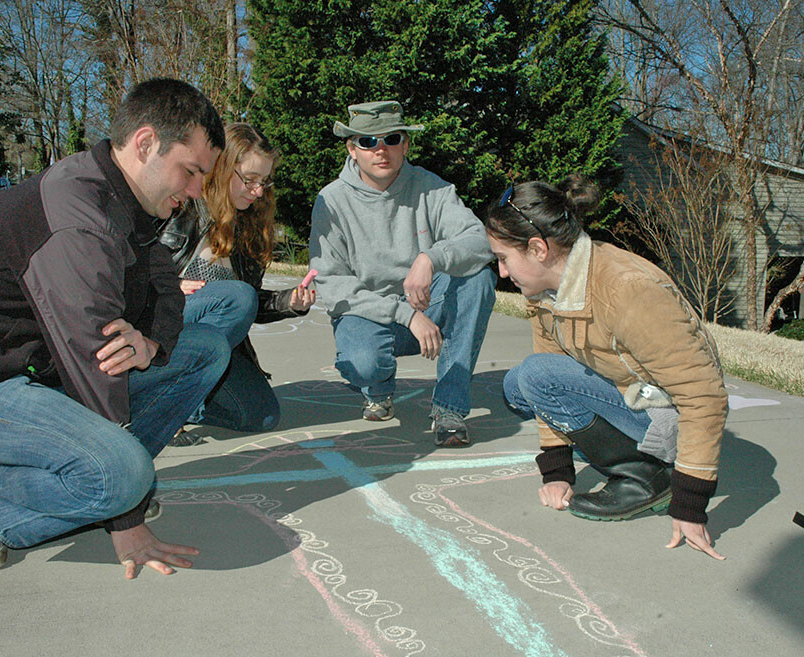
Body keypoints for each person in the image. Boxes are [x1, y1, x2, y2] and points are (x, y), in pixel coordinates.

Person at [0, 78, 231, 576]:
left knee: (205, 349)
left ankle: (88, 481)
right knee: (122, 474)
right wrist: (127, 514)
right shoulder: (78, 217)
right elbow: (93, 365)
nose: (194, 191)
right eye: (190, 172)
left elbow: (167, 286)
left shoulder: (129, 201)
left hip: (41, 375)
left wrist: (152, 343)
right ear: (145, 144)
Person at [482, 175, 728, 559]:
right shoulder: (548, 290)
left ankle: (649, 475)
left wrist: (690, 502)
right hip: (634, 392)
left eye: (503, 258)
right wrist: (558, 470)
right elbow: (553, 364)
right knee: (519, 384)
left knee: (535, 376)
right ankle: (631, 455)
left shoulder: (628, 290)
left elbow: (703, 396)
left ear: (537, 248)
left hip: (669, 413)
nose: (501, 272)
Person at [309, 100, 496, 447]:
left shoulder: (432, 188)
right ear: (352, 149)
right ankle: (377, 391)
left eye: (391, 138)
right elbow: (332, 285)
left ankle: (449, 407)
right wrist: (405, 314)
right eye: (368, 141)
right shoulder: (331, 201)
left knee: (478, 279)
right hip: (370, 314)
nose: (381, 150)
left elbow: (480, 241)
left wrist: (430, 258)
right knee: (362, 362)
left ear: (405, 144)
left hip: (426, 305)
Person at [158, 122, 315, 440]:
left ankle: (188, 399)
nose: (258, 191)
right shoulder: (179, 207)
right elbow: (123, 270)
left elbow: (249, 303)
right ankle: (159, 399)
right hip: (163, 333)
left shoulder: (247, 225)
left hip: (211, 349)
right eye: (250, 180)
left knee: (261, 415)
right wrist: (163, 285)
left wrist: (289, 301)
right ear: (222, 168)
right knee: (236, 296)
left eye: (264, 182)